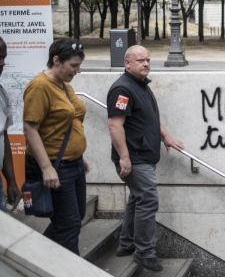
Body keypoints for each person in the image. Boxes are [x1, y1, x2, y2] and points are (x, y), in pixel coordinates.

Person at [107, 45, 185, 273]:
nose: (146, 64)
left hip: (144, 155)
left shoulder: (140, 86)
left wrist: (167, 137)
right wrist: (124, 157)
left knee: (137, 199)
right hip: (134, 157)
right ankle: (144, 252)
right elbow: (114, 124)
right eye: (140, 60)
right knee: (148, 200)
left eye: (148, 60)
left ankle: (126, 243)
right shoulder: (122, 89)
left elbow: (150, 118)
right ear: (127, 63)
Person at [23, 38, 89, 254]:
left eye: (79, 65)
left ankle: (36, 256)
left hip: (74, 164)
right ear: (56, 60)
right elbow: (30, 129)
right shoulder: (40, 87)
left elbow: (68, 123)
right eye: (74, 65)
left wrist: (78, 153)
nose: (78, 71)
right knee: (68, 225)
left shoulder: (65, 84)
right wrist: (46, 168)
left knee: (74, 218)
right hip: (56, 166)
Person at [0, 37, 21, 213]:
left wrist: (12, 181)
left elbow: (4, 137)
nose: (2, 63)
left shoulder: (2, 94)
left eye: (4, 58)